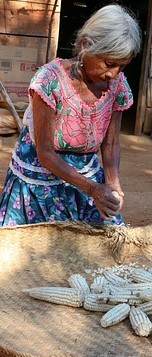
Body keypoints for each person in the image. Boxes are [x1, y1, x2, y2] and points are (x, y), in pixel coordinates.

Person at [0, 4, 141, 226]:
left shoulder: (117, 86)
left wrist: (112, 182)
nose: (114, 74)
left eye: (122, 66)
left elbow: (111, 142)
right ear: (86, 45)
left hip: (86, 174)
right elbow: (45, 153)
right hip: (38, 179)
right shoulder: (49, 81)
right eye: (109, 63)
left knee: (106, 241)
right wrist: (92, 188)